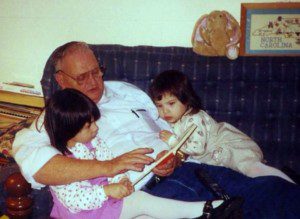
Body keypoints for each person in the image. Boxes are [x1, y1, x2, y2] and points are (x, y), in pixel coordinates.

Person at [12, 41, 300, 218]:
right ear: (61, 80)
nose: (94, 80)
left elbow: (171, 124)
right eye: (82, 76)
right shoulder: (54, 118)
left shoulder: (127, 92)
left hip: (192, 168)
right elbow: (39, 168)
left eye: (96, 70)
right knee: (253, 205)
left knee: (275, 190)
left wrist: (178, 154)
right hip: (152, 190)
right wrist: (111, 166)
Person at [45, 88, 240, 219]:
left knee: (146, 215)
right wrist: (106, 191)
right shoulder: (60, 163)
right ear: (68, 130)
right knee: (139, 201)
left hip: (106, 203)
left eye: (94, 121)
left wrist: (120, 180)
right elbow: (75, 199)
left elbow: (110, 165)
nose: (96, 128)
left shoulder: (94, 141)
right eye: (89, 126)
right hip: (84, 214)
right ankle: (207, 209)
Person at [148, 70, 294, 183]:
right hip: (218, 157)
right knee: (248, 178)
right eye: (159, 105)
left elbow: (197, 148)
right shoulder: (176, 120)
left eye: (171, 103)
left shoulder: (194, 119)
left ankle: (291, 185)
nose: (164, 110)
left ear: (186, 100)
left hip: (230, 146)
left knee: (253, 169)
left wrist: (173, 140)